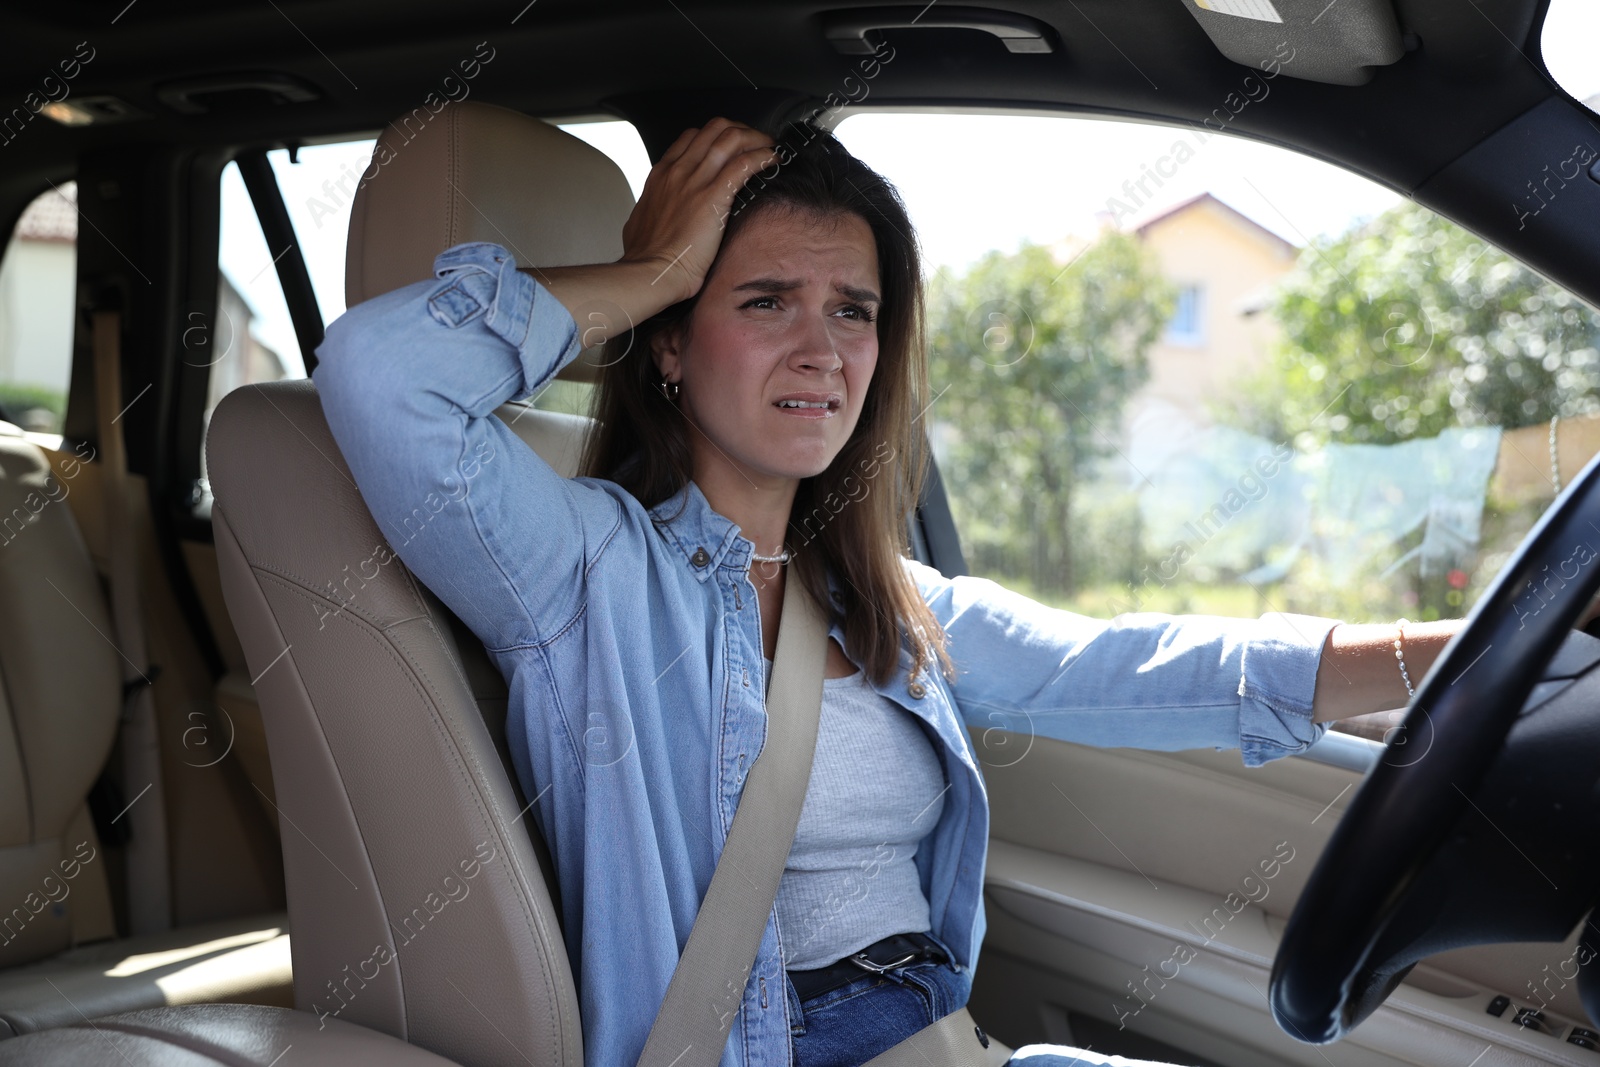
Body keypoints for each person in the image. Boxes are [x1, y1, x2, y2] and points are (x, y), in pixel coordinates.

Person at [314, 117, 1468, 1067]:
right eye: (765, 299)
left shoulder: (888, 601)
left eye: (852, 309)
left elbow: (1133, 662)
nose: (823, 350)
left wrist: (1469, 650)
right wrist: (649, 271)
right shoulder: (584, 568)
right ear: (668, 344)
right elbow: (384, 375)